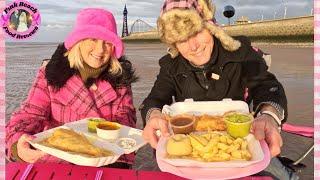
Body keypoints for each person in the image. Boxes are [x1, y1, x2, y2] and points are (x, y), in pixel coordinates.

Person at [140, 0, 298, 179]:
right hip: (190, 153)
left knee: (280, 174)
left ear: (210, 26)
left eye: (196, 32)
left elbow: (267, 85)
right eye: (181, 39)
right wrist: (153, 115)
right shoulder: (171, 66)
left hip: (242, 142)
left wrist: (269, 116)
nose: (193, 46)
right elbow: (155, 99)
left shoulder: (241, 53)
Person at [6, 8, 138, 169]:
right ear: (78, 41)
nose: (100, 49)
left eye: (107, 42)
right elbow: (29, 115)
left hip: (106, 161)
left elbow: (127, 117)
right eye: (93, 39)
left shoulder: (120, 78)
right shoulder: (51, 75)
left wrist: (108, 138)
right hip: (57, 162)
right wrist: (18, 145)